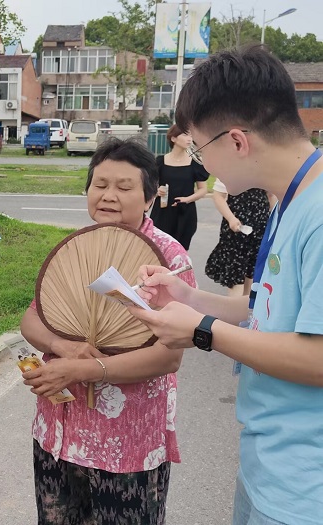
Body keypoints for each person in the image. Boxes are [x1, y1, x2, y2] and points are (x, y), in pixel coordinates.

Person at [128, 45, 323, 525]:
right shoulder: (291, 199)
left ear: (236, 141)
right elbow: (268, 309)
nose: (202, 162)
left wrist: (202, 331)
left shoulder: (318, 213)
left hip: (306, 487)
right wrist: (187, 297)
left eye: (200, 147)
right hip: (271, 465)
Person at [20, 137, 197, 524]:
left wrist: (86, 369)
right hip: (57, 432)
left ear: (149, 197)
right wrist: (63, 346)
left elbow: (169, 357)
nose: (108, 196)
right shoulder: (77, 247)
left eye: (124, 187)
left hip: (126, 445)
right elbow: (32, 319)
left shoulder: (169, 258)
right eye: (99, 184)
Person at [205, 179, 271, 297]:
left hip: (260, 225)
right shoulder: (230, 169)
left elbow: (271, 195)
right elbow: (218, 196)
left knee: (252, 271)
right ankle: (235, 306)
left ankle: (246, 304)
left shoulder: (265, 169)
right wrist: (231, 218)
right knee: (235, 273)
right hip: (236, 227)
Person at [149, 124, 209, 250]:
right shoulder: (160, 162)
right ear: (173, 138)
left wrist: (187, 199)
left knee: (180, 251)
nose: (189, 139)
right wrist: (157, 190)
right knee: (159, 250)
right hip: (162, 212)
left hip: (185, 213)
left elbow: (203, 189)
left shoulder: (195, 164)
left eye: (191, 136)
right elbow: (150, 185)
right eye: (185, 135)